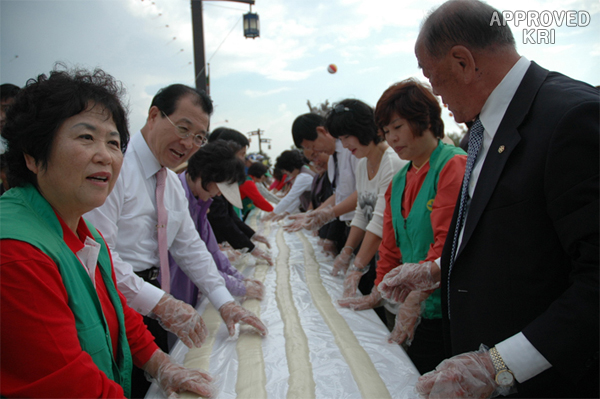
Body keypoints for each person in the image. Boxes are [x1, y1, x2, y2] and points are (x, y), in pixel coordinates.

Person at [378, 1, 599, 397]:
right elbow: (513, 237)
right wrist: (436, 270)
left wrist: (499, 364)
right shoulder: (479, 132)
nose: (437, 94)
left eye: (436, 79)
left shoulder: (570, 117)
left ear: (463, 61)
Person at [0, 67, 214, 398]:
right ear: (32, 153)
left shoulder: (84, 234)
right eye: (86, 137)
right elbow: (69, 383)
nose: (105, 156)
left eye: (113, 142)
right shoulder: (17, 254)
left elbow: (114, 308)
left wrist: (160, 364)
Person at [84, 84, 267, 397]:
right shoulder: (115, 168)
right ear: (154, 115)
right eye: (183, 128)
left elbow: (191, 247)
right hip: (114, 300)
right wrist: (160, 302)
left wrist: (224, 301)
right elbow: (98, 255)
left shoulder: (167, 183)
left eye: (198, 137)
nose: (188, 143)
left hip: (151, 299)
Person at [339, 79, 466, 375]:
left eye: (398, 127)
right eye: (386, 131)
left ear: (425, 120)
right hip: (413, 304)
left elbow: (445, 244)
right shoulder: (400, 179)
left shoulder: (452, 166)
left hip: (444, 308)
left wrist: (415, 297)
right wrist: (378, 289)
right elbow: (390, 244)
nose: (392, 138)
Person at [168, 141, 265, 348]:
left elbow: (210, 250)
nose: (219, 195)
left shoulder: (202, 201)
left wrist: (238, 276)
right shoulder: (175, 196)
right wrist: (238, 286)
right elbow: (190, 259)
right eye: (219, 188)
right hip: (171, 290)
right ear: (204, 174)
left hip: (191, 289)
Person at [322, 99, 406, 304]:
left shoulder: (392, 162)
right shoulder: (363, 165)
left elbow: (380, 221)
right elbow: (362, 213)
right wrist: (347, 252)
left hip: (398, 258)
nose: (345, 145)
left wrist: (357, 266)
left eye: (347, 137)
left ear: (364, 128)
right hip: (379, 257)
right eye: (340, 139)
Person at [286, 113, 359, 257]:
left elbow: (362, 192)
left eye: (313, 146)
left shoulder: (351, 151)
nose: (316, 153)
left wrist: (330, 213)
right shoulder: (333, 159)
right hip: (349, 227)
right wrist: (313, 214)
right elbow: (339, 194)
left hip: (362, 226)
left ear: (321, 131)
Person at [206, 127, 273, 266]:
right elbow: (221, 218)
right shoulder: (210, 180)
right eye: (242, 154)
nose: (243, 160)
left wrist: (251, 236)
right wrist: (251, 247)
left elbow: (229, 214)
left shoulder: (223, 178)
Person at [267, 149, 315, 220]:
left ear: (290, 167)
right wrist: (286, 213)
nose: (287, 174)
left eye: (286, 171)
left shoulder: (303, 176)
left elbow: (290, 197)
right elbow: (299, 198)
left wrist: (272, 214)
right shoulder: (302, 173)